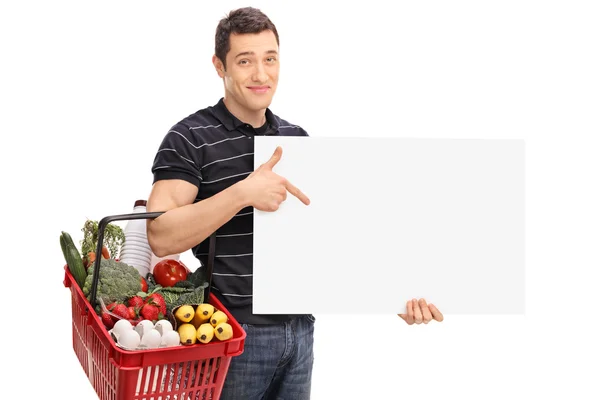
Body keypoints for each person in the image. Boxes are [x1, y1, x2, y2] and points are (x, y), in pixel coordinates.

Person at [146, 6, 444, 399]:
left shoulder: (295, 138)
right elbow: (161, 236)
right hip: (232, 336)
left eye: (270, 59)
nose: (261, 74)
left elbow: (327, 238)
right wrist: (242, 193)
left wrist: (396, 297)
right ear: (219, 66)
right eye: (245, 61)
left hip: (301, 333)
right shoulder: (190, 138)